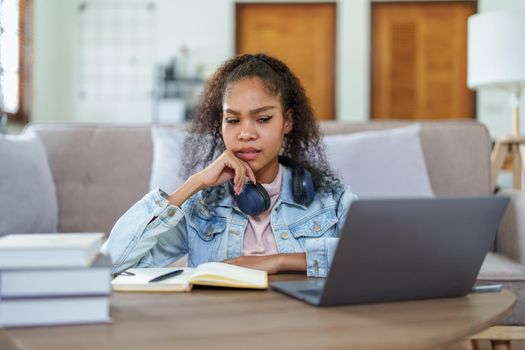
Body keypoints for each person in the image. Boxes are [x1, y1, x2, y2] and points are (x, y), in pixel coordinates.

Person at [102, 53, 357, 277]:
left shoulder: (330, 198)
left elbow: (379, 256)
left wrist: (278, 261)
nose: (245, 133)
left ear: (287, 122)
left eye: (263, 118)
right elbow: (110, 264)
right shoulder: (201, 207)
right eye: (233, 120)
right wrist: (195, 183)